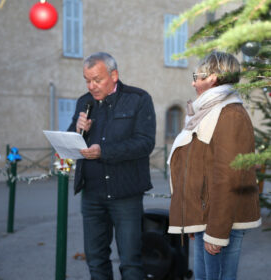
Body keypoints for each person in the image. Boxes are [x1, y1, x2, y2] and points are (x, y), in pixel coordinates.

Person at [167, 51, 261, 280]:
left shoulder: (230, 114)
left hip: (218, 222)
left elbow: (228, 177)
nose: (193, 82)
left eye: (197, 76)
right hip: (204, 218)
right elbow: (196, 167)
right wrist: (190, 218)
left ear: (213, 78)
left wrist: (216, 232)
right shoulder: (207, 112)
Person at [68, 52, 156, 280]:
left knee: (130, 263)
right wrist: (78, 131)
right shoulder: (83, 102)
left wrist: (103, 152)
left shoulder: (139, 99)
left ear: (114, 75)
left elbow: (145, 143)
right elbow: (71, 141)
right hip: (92, 195)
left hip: (126, 194)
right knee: (96, 260)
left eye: (97, 79)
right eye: (87, 80)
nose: (92, 86)